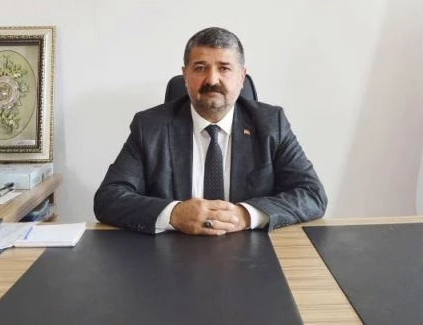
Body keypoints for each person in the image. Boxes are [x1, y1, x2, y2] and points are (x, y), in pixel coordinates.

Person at [94, 27, 327, 236]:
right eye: (200, 68)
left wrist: (245, 215)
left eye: (224, 68)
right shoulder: (150, 126)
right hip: (171, 255)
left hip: (254, 255)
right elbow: (109, 198)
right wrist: (174, 214)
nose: (212, 79)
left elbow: (312, 194)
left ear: (242, 77)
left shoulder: (271, 123)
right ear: (185, 76)